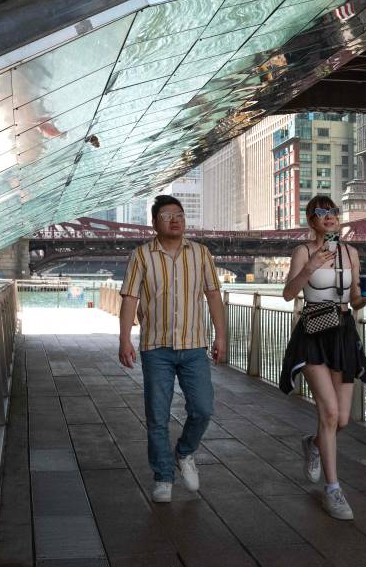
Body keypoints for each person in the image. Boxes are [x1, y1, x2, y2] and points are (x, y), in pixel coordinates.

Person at [118, 195, 228, 503]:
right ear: (154, 223)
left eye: (179, 214)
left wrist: (221, 336)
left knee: (203, 408)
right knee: (157, 416)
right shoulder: (141, 255)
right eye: (167, 216)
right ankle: (163, 476)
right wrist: (124, 339)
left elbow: (213, 296)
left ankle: (184, 452)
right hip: (156, 347)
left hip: (194, 346)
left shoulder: (201, 253)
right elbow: (129, 298)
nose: (175, 220)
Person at [279, 195, 366, 520]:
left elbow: (355, 299)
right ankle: (333, 490)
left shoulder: (351, 253)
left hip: (343, 332)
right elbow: (289, 293)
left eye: (333, 211)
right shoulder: (303, 251)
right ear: (312, 220)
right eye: (322, 213)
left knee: (342, 420)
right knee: (330, 413)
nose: (330, 216)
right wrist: (310, 267)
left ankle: (314, 443)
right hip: (313, 332)